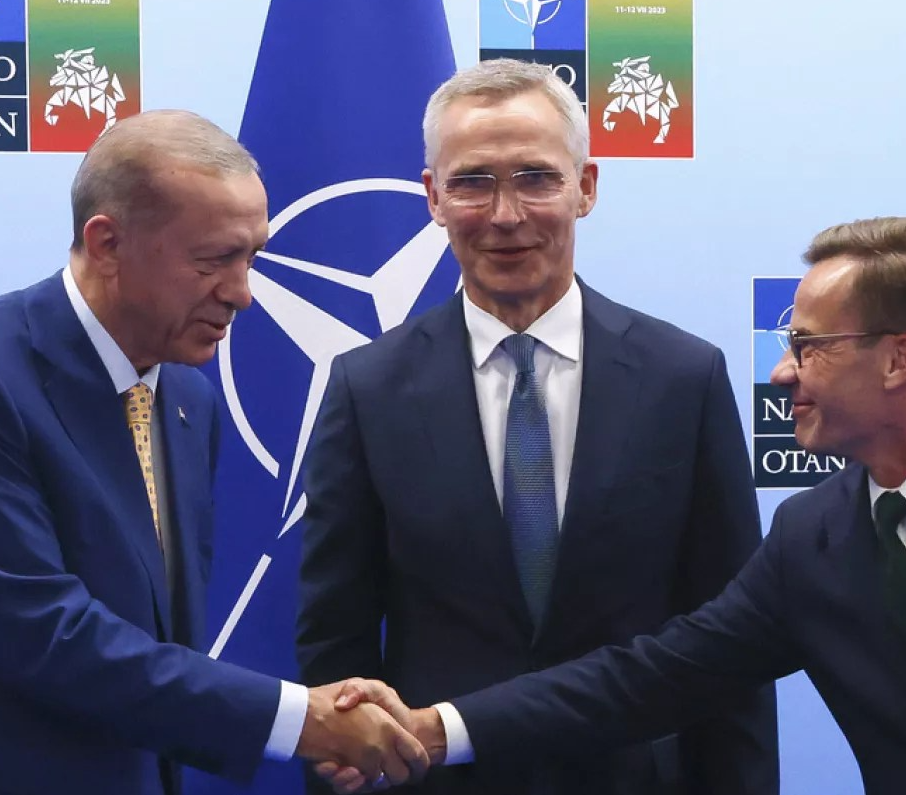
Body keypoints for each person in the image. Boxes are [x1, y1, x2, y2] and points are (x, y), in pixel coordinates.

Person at [330, 216, 906, 795]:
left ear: (897, 359)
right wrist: (435, 727)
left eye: (806, 348)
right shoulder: (811, 536)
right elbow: (646, 678)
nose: (780, 373)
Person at [0, 110, 426, 795]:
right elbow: (39, 630)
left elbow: (163, 647)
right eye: (213, 259)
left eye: (251, 256)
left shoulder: (190, 402)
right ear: (106, 242)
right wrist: (298, 720)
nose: (243, 292)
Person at [294, 58, 778, 795]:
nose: (505, 214)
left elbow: (731, 643)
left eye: (534, 177)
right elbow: (338, 646)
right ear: (432, 197)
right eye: (472, 181)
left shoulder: (684, 377)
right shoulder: (367, 388)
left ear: (585, 187)